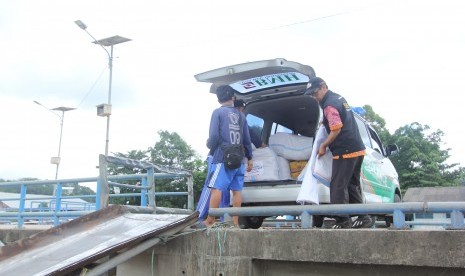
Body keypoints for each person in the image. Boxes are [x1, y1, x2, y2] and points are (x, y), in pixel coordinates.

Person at [305, 77, 373, 229]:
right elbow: (339, 119)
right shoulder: (338, 98)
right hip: (357, 148)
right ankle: (363, 217)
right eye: (311, 95)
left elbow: (336, 128)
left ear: (323, 87)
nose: (314, 97)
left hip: (345, 149)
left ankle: (343, 220)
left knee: (337, 185)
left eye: (315, 93)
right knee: (352, 184)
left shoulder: (329, 105)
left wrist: (323, 145)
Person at [203, 85, 253, 227]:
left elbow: (213, 136)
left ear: (218, 99)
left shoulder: (217, 113)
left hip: (223, 157)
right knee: (237, 191)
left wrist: (210, 146)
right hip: (240, 158)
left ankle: (211, 220)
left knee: (216, 188)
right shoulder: (241, 116)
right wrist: (249, 158)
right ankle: (235, 223)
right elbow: (247, 140)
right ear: (233, 97)